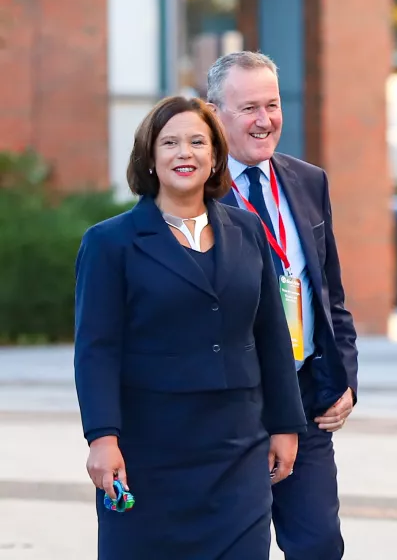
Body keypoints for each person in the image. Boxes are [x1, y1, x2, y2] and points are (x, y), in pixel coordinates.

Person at [74, 96, 308, 560]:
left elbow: (271, 335)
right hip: (149, 447)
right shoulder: (109, 243)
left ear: (217, 155)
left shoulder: (248, 230)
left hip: (238, 444)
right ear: (149, 158)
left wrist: (285, 424)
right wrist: (102, 438)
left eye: (198, 141)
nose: (186, 153)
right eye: (171, 143)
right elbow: (96, 350)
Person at [208, 51, 358, 560]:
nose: (264, 120)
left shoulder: (308, 180)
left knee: (318, 543)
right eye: (248, 107)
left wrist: (345, 380)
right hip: (234, 402)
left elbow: (331, 295)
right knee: (235, 546)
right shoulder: (195, 195)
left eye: (271, 105)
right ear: (215, 113)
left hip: (306, 399)